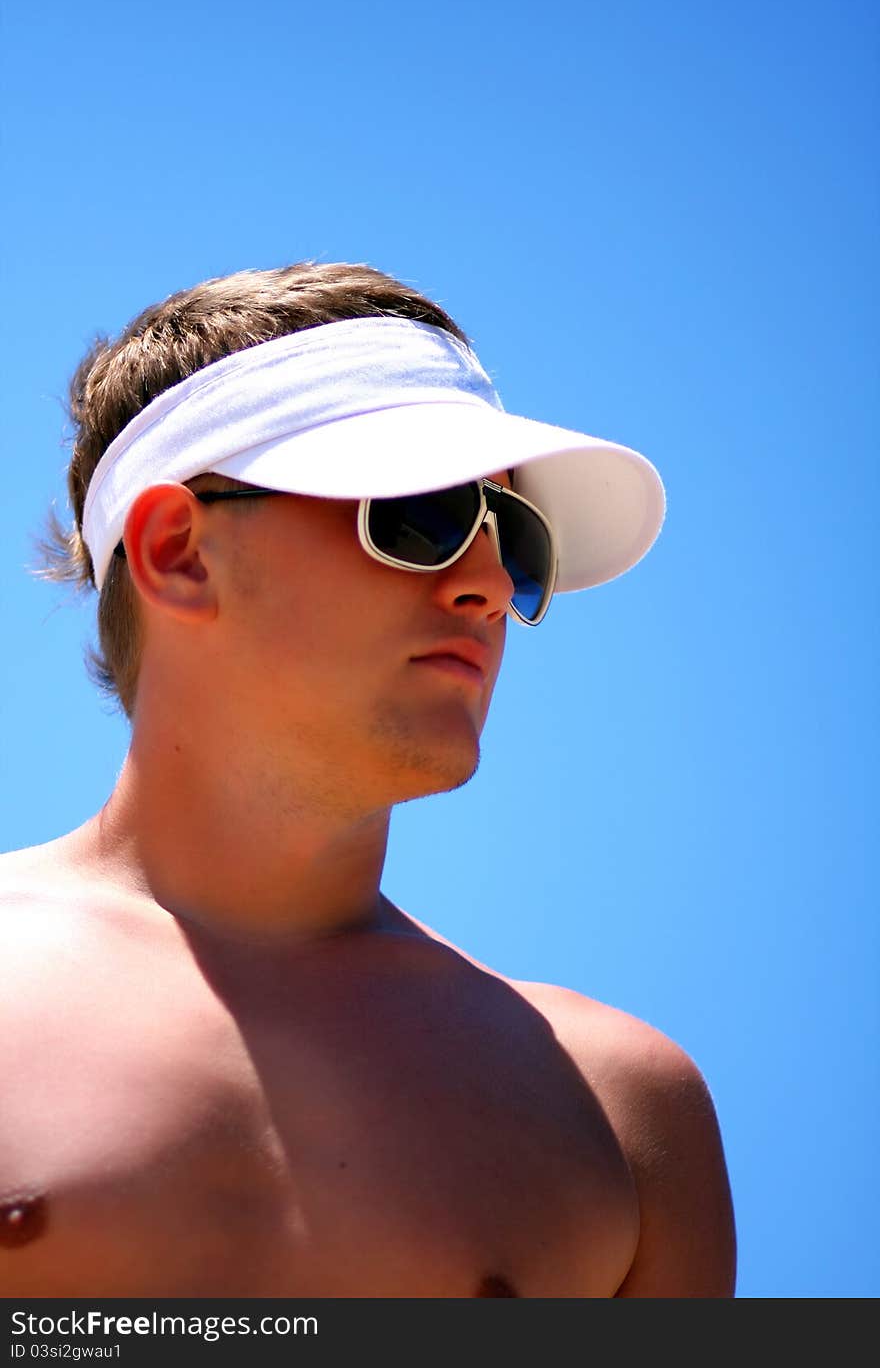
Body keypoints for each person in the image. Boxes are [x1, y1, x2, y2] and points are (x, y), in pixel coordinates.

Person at [1, 262, 735, 1298]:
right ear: (180, 553)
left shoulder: (621, 1107)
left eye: (511, 539)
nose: (484, 584)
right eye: (422, 514)